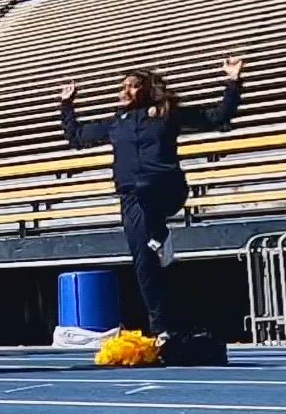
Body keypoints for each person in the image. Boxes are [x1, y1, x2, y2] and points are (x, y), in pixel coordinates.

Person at [60, 58, 243, 339]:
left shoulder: (165, 114)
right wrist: (67, 105)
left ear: (146, 90)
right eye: (124, 87)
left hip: (165, 188)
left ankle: (158, 233)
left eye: (133, 86)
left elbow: (218, 117)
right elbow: (76, 138)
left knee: (148, 202)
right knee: (144, 261)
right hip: (133, 198)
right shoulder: (115, 124)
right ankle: (163, 327)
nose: (126, 91)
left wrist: (232, 82)